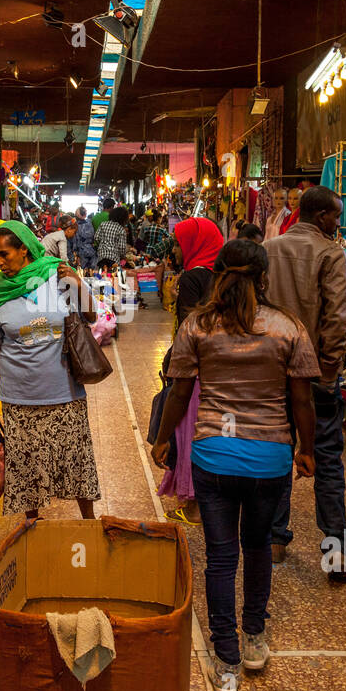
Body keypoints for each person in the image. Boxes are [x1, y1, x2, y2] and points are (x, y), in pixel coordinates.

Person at [152, 239, 318, 691]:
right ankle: (254, 638)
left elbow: (179, 392)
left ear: (218, 276)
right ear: (264, 279)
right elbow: (302, 398)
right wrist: (306, 450)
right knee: (259, 545)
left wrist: (163, 440)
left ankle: (226, 661)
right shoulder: (288, 328)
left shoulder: (197, 327)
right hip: (270, 459)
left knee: (222, 558)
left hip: (214, 457)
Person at [0, 221, 100, 521]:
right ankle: (32, 527)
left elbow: (91, 314)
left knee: (76, 463)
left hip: (64, 392)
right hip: (18, 397)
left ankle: (89, 524)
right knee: (26, 469)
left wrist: (77, 281)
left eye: (5, 254)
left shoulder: (57, 275)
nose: (0, 261)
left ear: (24, 250)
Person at [264, 186, 346, 575]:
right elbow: (336, 318)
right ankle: (335, 552)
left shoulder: (269, 249)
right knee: (328, 460)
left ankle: (274, 541)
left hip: (272, 371)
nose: (338, 223)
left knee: (278, 454)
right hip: (315, 373)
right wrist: (330, 370)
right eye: (335, 216)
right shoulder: (332, 254)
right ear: (321, 217)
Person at [157, 218, 225, 525]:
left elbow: (188, 329)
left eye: (178, 243)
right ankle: (213, 502)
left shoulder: (191, 278)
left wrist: (170, 298)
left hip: (193, 371)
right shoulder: (223, 276)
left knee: (187, 435)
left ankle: (194, 505)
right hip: (218, 369)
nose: (175, 249)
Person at [96, 205, 134, 270]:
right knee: (113, 276)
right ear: (123, 218)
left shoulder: (103, 224)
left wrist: (103, 245)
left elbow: (96, 238)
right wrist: (124, 257)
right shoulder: (121, 229)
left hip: (101, 256)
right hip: (114, 258)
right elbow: (122, 249)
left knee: (103, 275)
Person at [73, 206, 98, 270]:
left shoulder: (76, 226)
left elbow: (75, 241)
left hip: (82, 251)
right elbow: (93, 236)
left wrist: (75, 252)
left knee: (83, 272)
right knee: (92, 271)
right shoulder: (89, 223)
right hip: (91, 250)